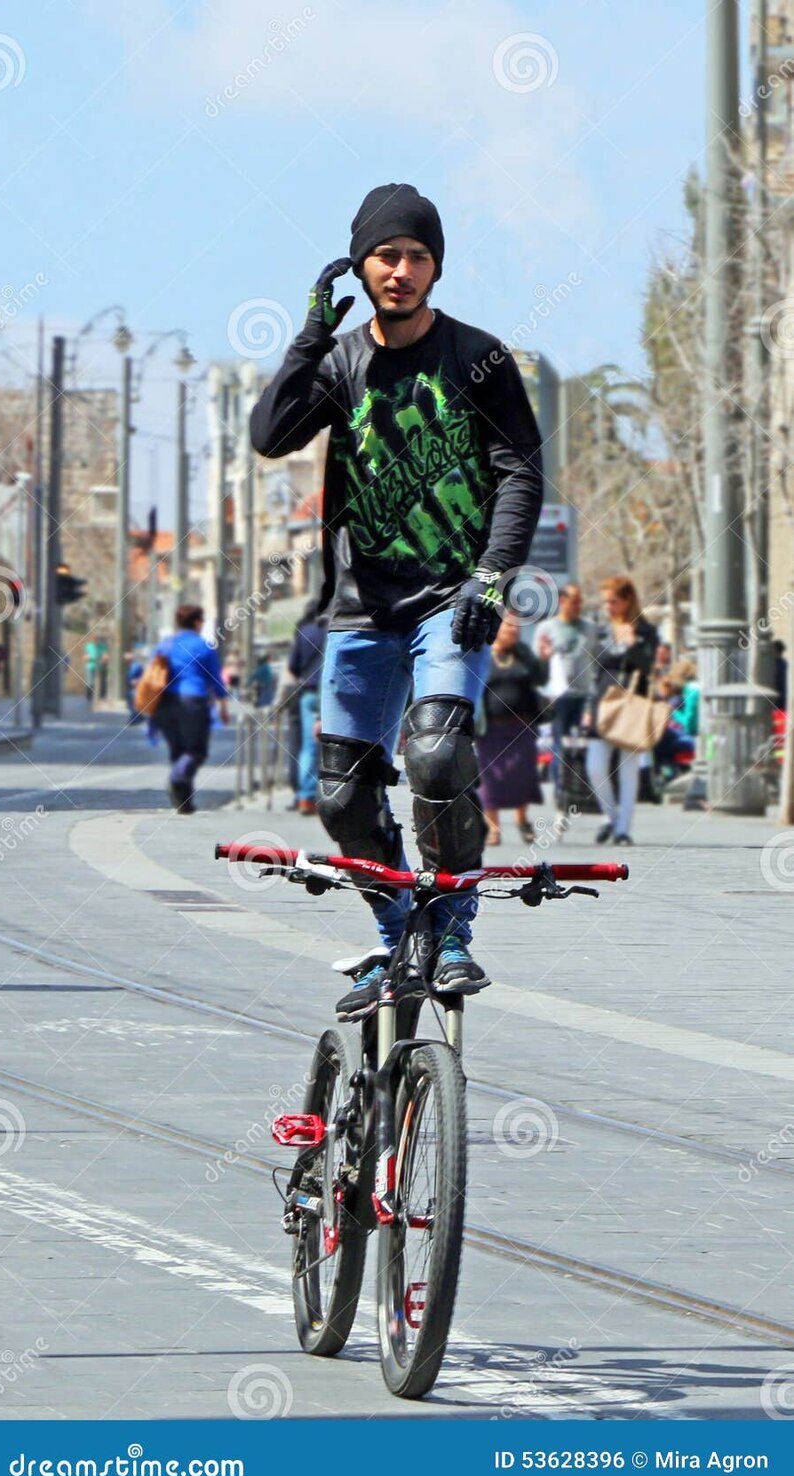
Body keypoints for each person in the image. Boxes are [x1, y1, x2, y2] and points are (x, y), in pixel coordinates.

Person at [251, 182, 543, 1009]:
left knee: (438, 753)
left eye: (417, 256)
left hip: (454, 600)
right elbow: (271, 435)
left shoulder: (478, 358)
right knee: (342, 797)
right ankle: (395, 934)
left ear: (436, 266)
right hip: (359, 611)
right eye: (386, 255)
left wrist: (494, 574)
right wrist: (308, 338)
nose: (402, 270)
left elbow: (521, 470)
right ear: (362, 265)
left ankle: (451, 927)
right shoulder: (342, 361)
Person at [583, 575, 658, 847]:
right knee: (595, 766)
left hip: (632, 703)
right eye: (606, 602)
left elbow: (648, 667)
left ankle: (623, 829)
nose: (609, 607)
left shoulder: (646, 631)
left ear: (628, 601)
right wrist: (588, 707)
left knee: (628, 769)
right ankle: (611, 816)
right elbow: (594, 670)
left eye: (613, 601)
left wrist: (632, 643)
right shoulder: (600, 630)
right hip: (602, 702)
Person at [477, 611, 547, 845]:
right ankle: (493, 828)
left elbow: (541, 679)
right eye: (509, 627)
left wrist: (545, 659)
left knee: (523, 777)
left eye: (517, 628)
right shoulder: (483, 654)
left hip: (522, 726)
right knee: (491, 780)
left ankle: (522, 821)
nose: (514, 631)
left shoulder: (523, 654)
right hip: (492, 729)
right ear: (497, 628)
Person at [152, 604, 230, 813]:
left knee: (178, 752)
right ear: (197, 622)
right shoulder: (203, 646)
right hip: (193, 702)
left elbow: (153, 673)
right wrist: (223, 705)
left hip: (165, 703)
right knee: (196, 751)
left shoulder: (166, 644)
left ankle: (185, 802)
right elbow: (215, 679)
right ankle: (177, 779)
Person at [534, 584, 597, 795]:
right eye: (574, 601)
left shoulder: (590, 628)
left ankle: (582, 786)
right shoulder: (547, 628)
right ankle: (561, 788)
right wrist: (543, 656)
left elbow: (597, 661)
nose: (578, 606)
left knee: (584, 743)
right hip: (558, 696)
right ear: (563, 601)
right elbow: (538, 667)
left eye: (580, 601)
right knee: (559, 742)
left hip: (585, 694)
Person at [287, 599, 326, 815]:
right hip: (329, 693)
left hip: (308, 693)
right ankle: (322, 795)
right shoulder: (333, 631)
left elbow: (293, 666)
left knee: (309, 747)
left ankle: (305, 797)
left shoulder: (304, 632)